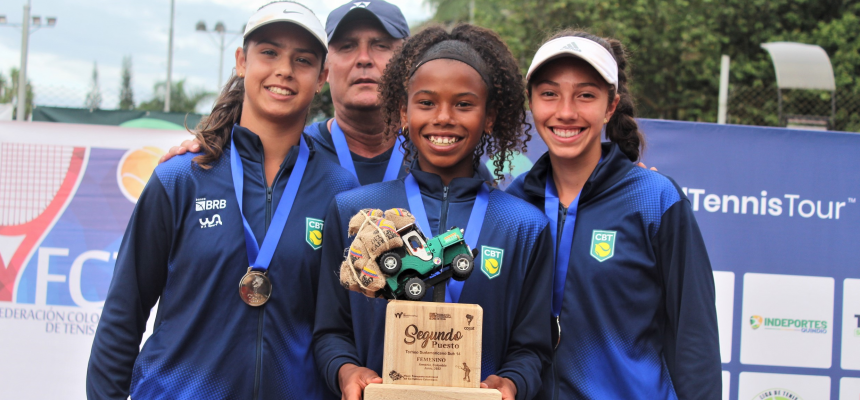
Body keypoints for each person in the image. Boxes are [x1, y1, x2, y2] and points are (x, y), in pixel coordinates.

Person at [86, 2, 359, 399]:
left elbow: (343, 326)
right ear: (241, 62)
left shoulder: (340, 190)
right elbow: (123, 314)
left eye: (302, 60)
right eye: (269, 52)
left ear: (321, 77)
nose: (284, 69)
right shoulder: (182, 178)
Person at [313, 24, 553, 400]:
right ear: (403, 112)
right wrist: (346, 370)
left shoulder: (524, 226)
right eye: (426, 103)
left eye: (463, 104)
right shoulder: (354, 211)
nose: (443, 117)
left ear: (489, 116)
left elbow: (532, 348)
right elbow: (330, 331)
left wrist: (512, 382)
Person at [505, 30, 722, 399]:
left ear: (610, 106)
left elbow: (694, 334)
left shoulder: (655, 200)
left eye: (586, 95)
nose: (566, 112)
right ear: (531, 102)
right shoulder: (514, 204)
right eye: (549, 94)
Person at [160, 0, 493, 184]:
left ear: (409, 63)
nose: (364, 58)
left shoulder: (445, 155)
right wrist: (209, 145)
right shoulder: (290, 155)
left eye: (380, 45)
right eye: (347, 46)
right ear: (325, 69)